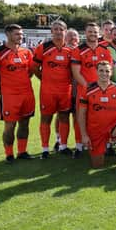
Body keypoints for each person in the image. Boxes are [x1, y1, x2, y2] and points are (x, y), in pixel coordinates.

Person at [0, 24, 35, 163]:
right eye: (17, 34)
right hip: (9, 96)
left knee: (25, 123)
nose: (20, 36)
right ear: (7, 34)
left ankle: (22, 151)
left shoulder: (26, 52)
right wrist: (6, 86)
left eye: (21, 34)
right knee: (10, 126)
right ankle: (9, 154)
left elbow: (30, 71)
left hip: (27, 94)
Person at [78, 61, 116, 173]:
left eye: (107, 71)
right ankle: (105, 146)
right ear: (96, 72)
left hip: (112, 127)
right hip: (95, 130)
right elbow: (81, 114)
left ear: (111, 73)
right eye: (101, 70)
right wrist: (84, 135)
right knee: (97, 165)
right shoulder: (88, 89)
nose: (104, 73)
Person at [32, 20, 73, 158]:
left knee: (64, 117)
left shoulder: (71, 50)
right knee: (46, 119)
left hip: (65, 90)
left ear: (65, 31)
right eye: (55, 29)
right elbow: (34, 67)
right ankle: (44, 149)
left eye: (61, 29)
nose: (58, 31)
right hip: (47, 91)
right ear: (51, 31)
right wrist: (44, 79)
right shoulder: (42, 48)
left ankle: (63, 146)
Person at [71, 22, 112, 158]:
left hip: (102, 91)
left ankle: (105, 145)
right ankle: (79, 146)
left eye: (95, 32)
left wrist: (101, 87)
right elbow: (76, 73)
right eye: (90, 32)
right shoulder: (78, 50)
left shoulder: (105, 50)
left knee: (103, 118)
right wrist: (89, 87)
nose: (93, 34)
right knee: (80, 118)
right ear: (85, 33)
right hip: (84, 90)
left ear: (99, 33)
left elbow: (108, 71)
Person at [53, 27, 80, 152]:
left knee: (77, 117)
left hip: (77, 91)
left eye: (75, 36)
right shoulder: (61, 51)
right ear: (65, 38)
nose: (73, 38)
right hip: (62, 90)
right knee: (61, 116)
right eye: (70, 36)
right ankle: (58, 140)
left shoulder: (81, 51)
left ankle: (79, 142)